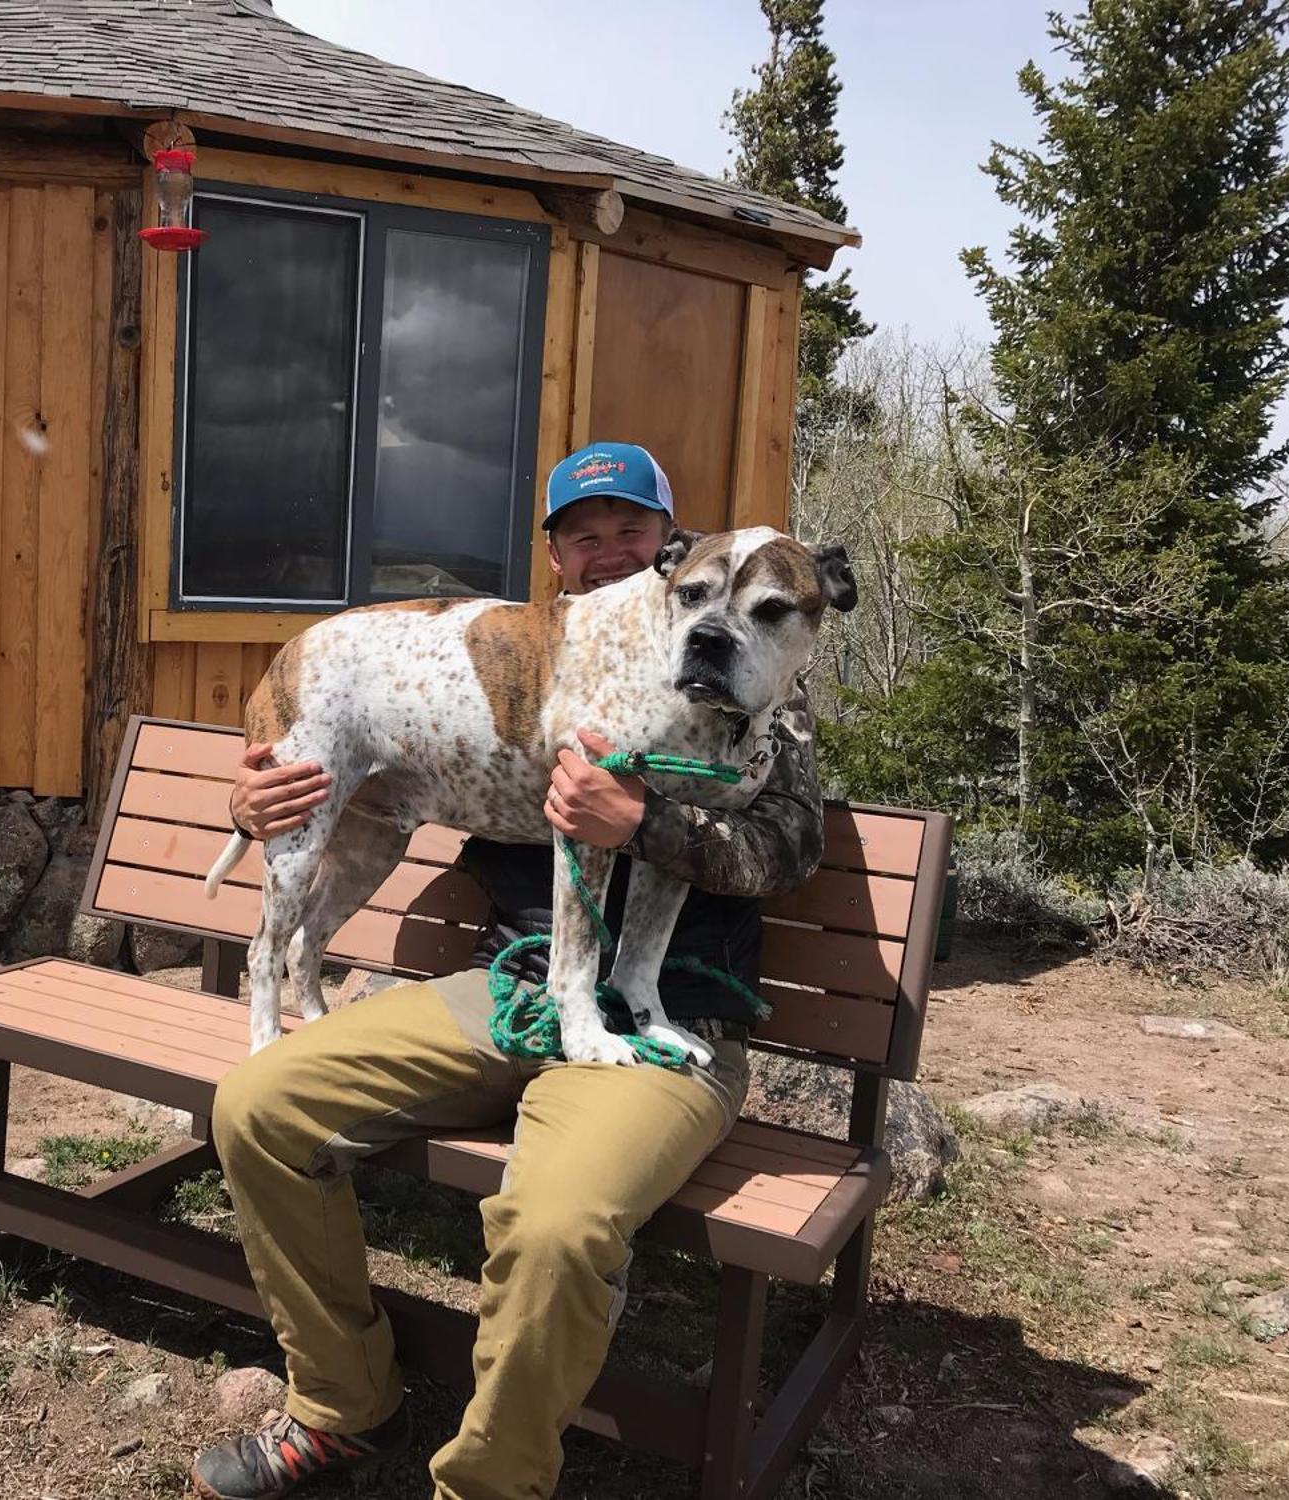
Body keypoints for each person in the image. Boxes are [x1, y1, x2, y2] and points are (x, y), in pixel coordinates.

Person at [188, 443, 826, 1500]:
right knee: (256, 1106)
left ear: (666, 545)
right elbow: (376, 761)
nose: (606, 551)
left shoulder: (743, 671)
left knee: (554, 1225)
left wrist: (647, 825)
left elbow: (785, 853)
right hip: (506, 989)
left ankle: (487, 1487)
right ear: (556, 556)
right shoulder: (545, 663)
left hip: (673, 1027)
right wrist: (253, 804)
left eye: (629, 531)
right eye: (584, 535)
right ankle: (345, 1408)